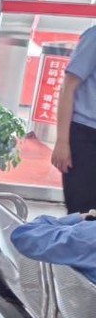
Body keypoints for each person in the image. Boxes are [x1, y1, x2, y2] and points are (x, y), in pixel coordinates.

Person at [52, 24, 96, 214]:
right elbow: (68, 87)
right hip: (85, 136)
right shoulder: (94, 37)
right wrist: (62, 142)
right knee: (83, 213)